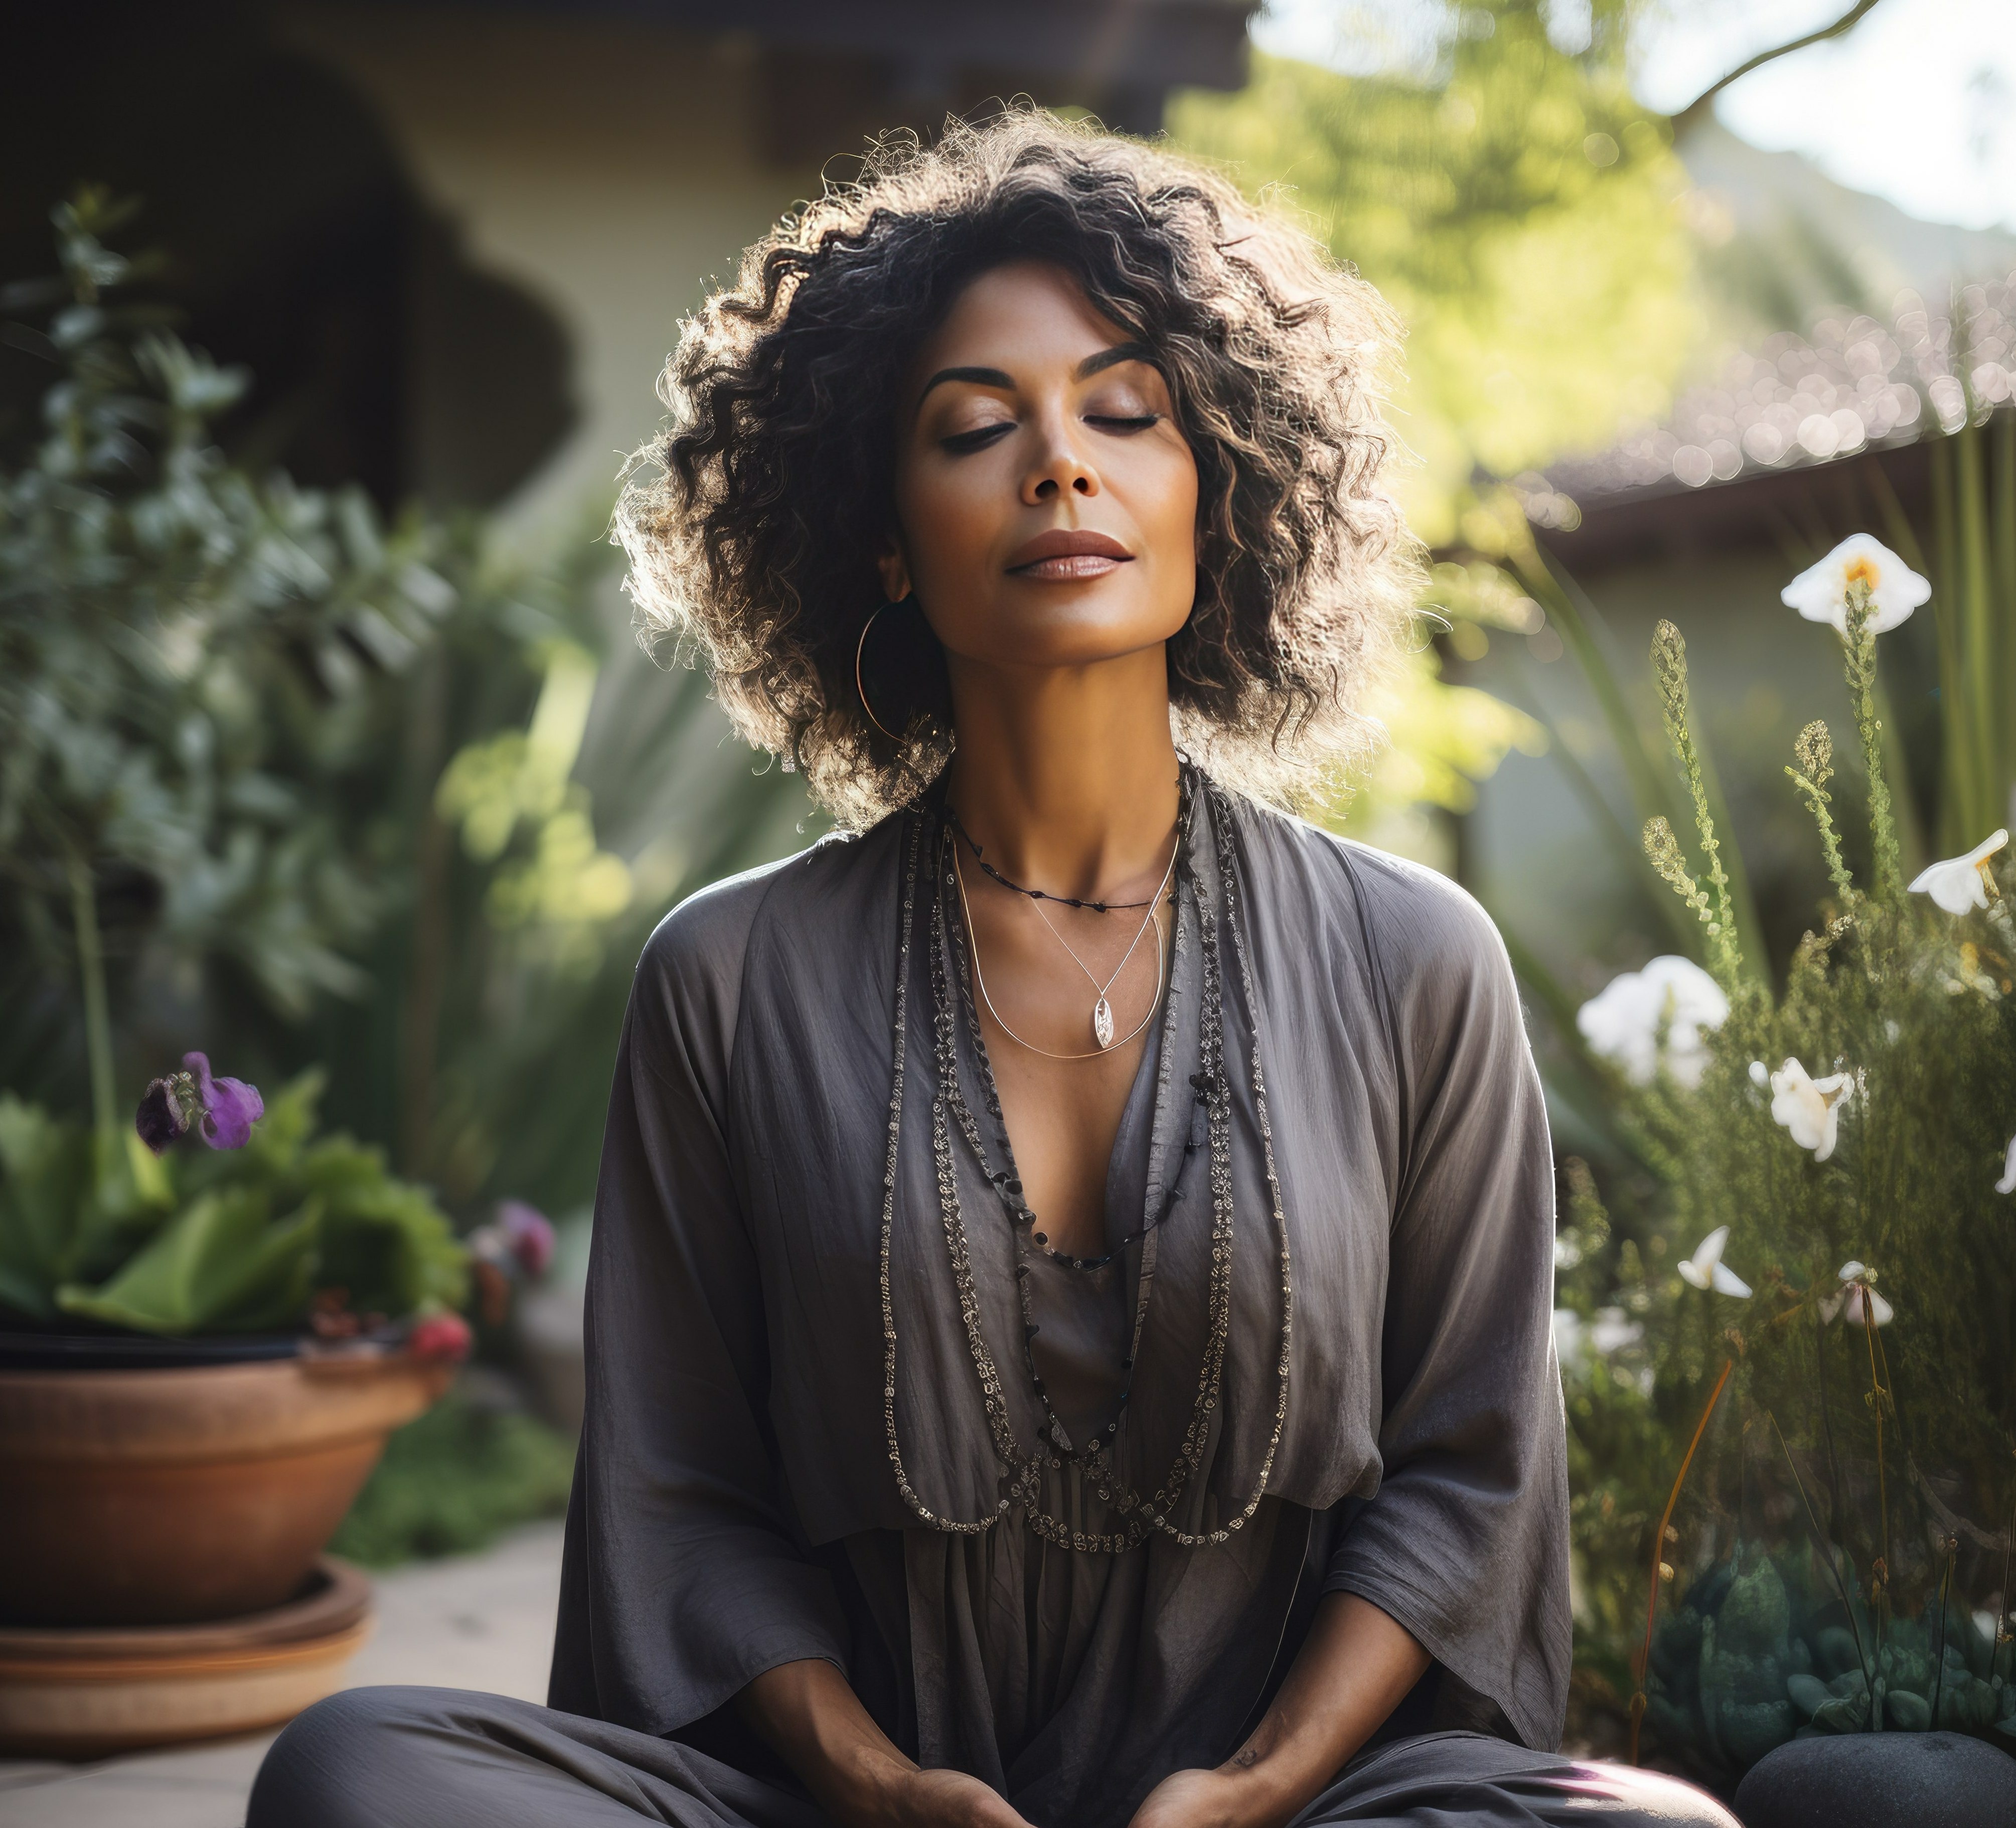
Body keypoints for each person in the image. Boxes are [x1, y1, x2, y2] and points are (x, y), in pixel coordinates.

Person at [250, 109, 1735, 1828]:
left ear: (1215, 492)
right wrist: (876, 1783)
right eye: (976, 428)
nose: (1058, 463)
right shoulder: (728, 979)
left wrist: (1254, 1787)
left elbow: (1466, 1482)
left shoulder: (1414, 959)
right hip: (850, 1814)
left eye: (1124, 413)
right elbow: (681, 1499)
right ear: (880, 534)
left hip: (1288, 1815)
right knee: (356, 1770)